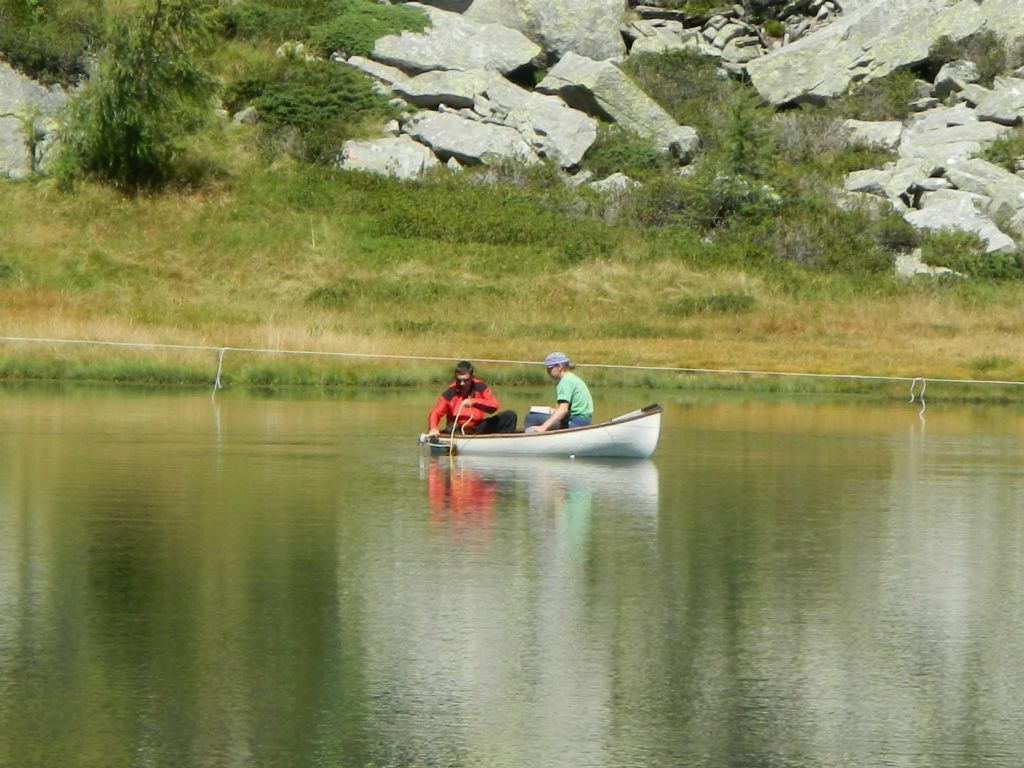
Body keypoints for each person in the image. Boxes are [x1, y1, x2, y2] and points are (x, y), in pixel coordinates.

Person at [428, 361, 518, 436]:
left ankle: (502, 444)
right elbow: (435, 412)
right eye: (459, 380)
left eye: (466, 380)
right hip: (458, 430)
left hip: (478, 427)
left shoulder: (480, 386)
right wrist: (433, 428)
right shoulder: (450, 392)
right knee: (451, 429)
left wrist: (473, 402)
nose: (462, 383)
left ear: (472, 377)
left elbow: (493, 406)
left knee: (510, 415)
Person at [527, 352, 594, 432]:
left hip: (575, 422)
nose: (547, 371)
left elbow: (563, 409)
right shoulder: (572, 378)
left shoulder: (565, 381)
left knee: (531, 418)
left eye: (550, 368)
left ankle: (529, 441)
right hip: (584, 421)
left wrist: (543, 427)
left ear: (559, 366)